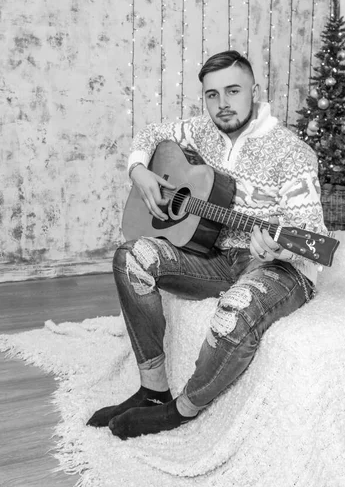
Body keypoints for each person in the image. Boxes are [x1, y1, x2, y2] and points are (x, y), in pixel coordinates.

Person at [87, 50, 327, 439]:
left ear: (255, 90)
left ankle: (182, 408)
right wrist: (139, 170)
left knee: (236, 308)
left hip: (281, 267)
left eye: (233, 91)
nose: (222, 104)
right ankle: (152, 390)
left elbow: (310, 230)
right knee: (132, 257)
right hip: (215, 255)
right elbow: (150, 135)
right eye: (212, 95)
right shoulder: (201, 131)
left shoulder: (291, 152)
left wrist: (279, 248)